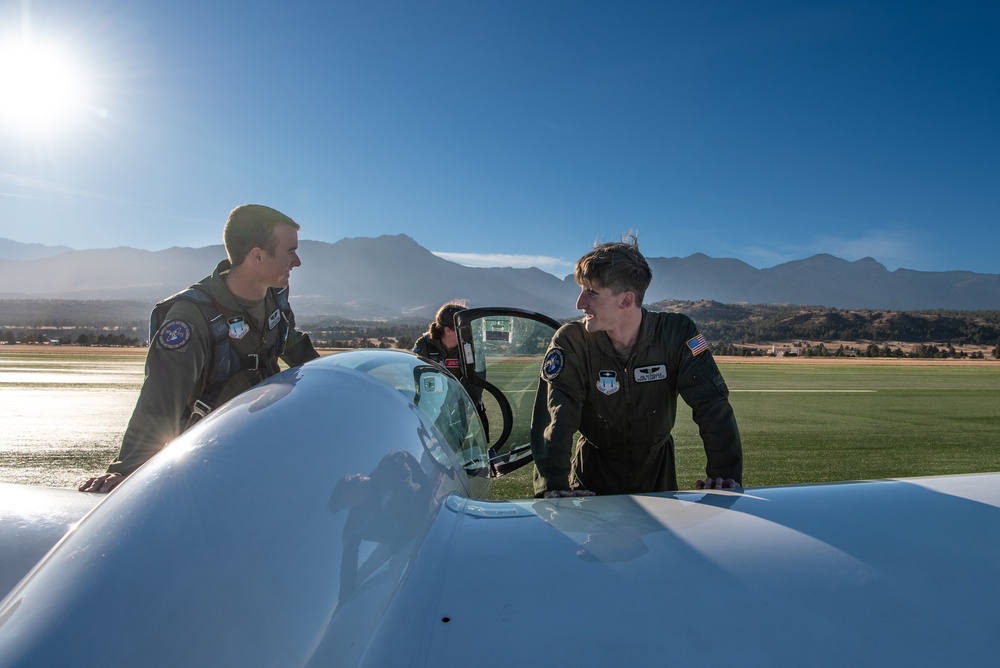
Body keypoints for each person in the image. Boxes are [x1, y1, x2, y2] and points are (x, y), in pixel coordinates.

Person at [79, 204, 319, 493]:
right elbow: (161, 399)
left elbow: (291, 343)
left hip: (261, 450)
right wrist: (128, 471)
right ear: (257, 256)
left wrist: (350, 380)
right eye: (290, 252)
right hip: (207, 467)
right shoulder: (191, 317)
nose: (297, 262)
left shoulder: (275, 297)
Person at [530, 235, 742, 498]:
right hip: (591, 480)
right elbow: (556, 418)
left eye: (591, 292)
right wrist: (553, 487)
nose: (579, 303)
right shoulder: (571, 341)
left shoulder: (678, 333)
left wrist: (724, 476)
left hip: (658, 477)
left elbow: (712, 405)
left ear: (626, 300)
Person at [412, 301, 490, 438]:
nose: (469, 333)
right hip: (432, 414)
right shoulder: (424, 346)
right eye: (464, 328)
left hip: (464, 412)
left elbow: (475, 385)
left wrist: (457, 417)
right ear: (447, 330)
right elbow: (421, 387)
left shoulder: (472, 347)